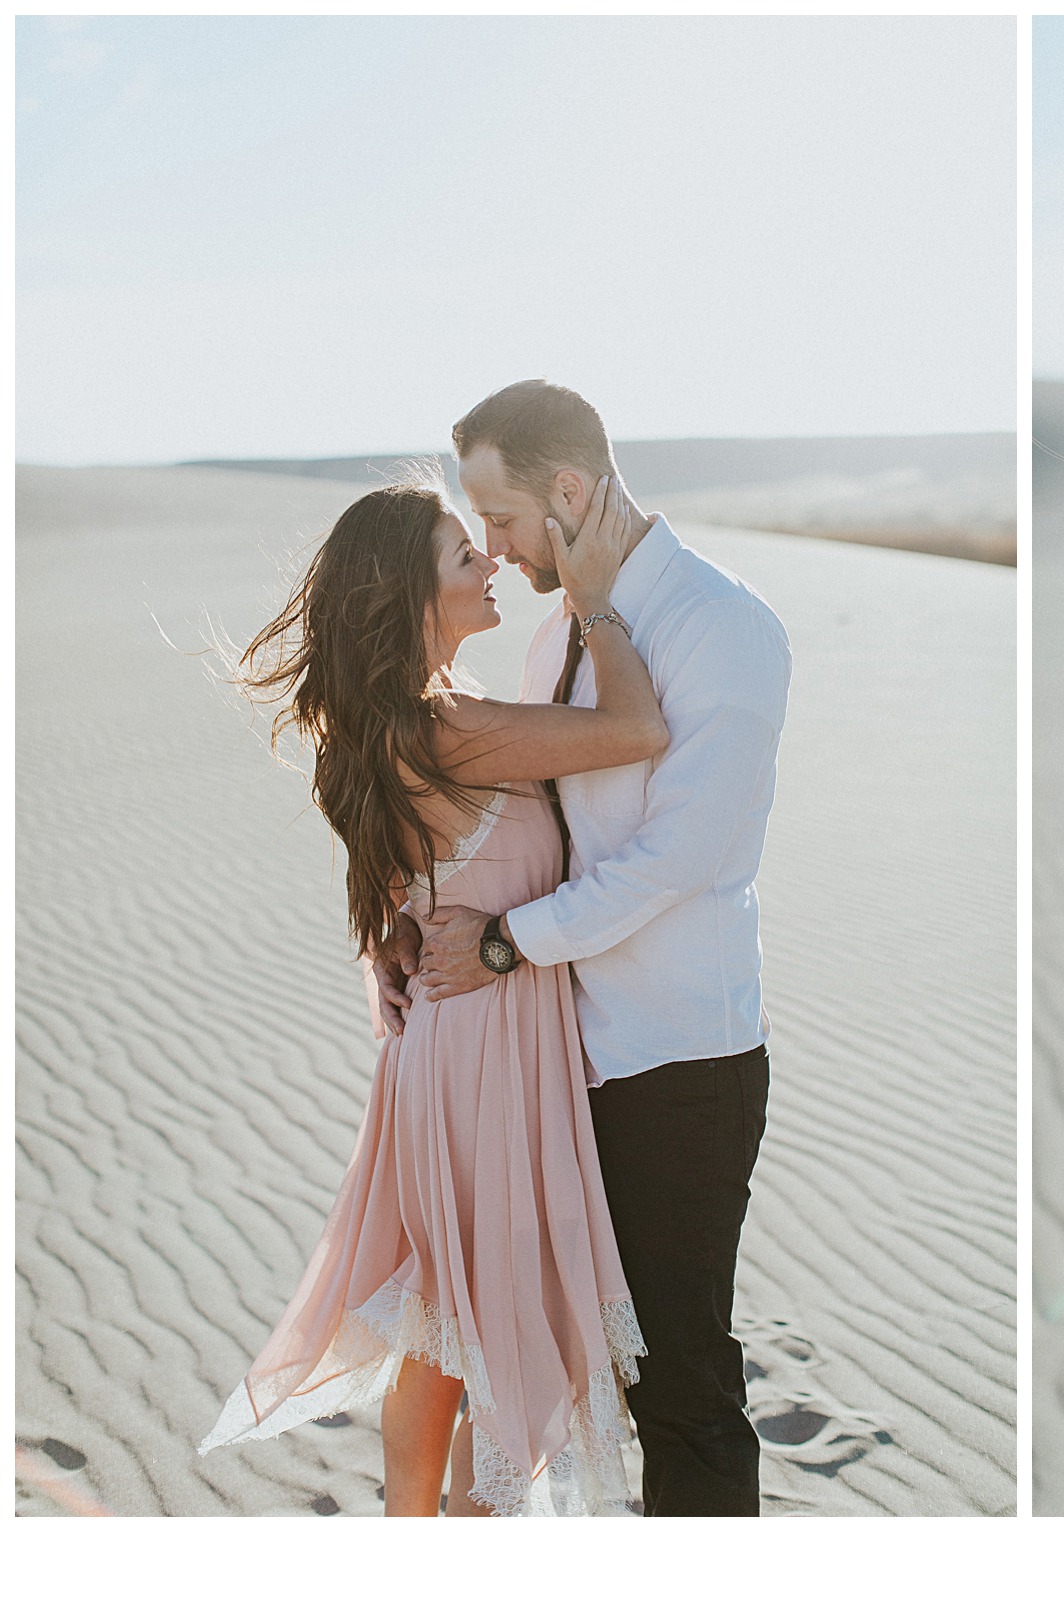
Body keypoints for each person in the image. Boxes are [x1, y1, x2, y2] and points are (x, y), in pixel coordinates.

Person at [200, 471, 665, 1515]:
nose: (491, 560)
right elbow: (638, 730)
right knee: (476, 1315)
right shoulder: (450, 730)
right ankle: (449, 1531)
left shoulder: (407, 728)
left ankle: (425, 1533)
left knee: (451, 1323)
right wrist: (591, 599)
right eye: (465, 556)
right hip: (484, 1055)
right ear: (414, 602)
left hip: (460, 1049)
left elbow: (404, 894)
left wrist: (395, 935)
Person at [377, 379, 793, 1517]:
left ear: (569, 491)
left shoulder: (724, 629)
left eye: (501, 521)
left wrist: (507, 946)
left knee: (681, 1387)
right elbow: (516, 821)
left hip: (674, 1064)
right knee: (546, 1365)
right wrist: (404, 917)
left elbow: (678, 860)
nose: (495, 553)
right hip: (551, 1067)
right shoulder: (562, 633)